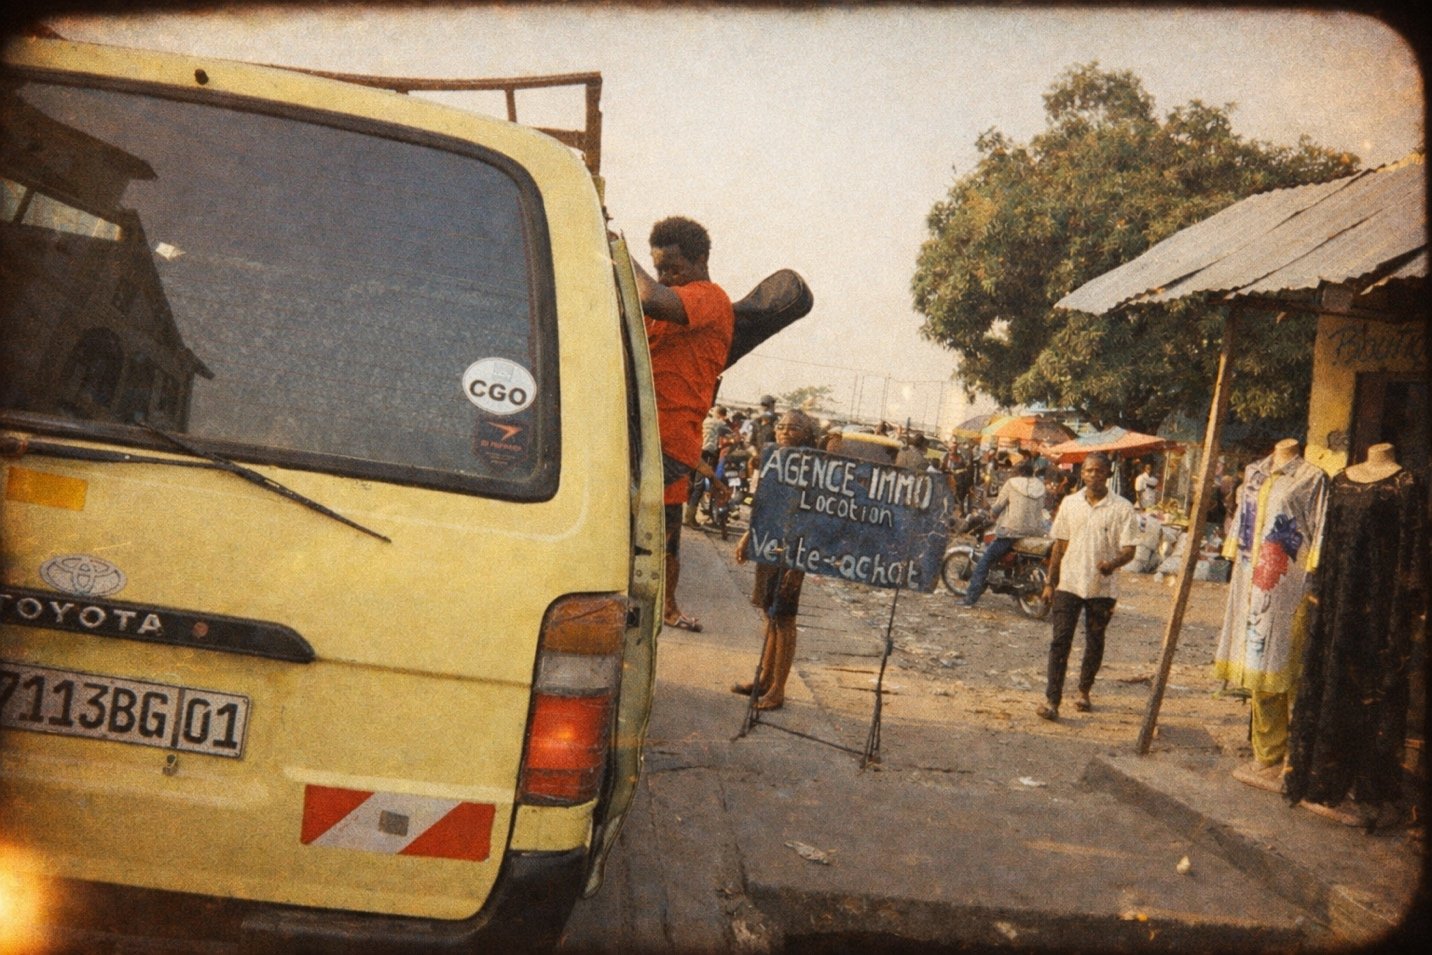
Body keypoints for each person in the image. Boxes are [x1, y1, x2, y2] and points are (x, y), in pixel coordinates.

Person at [635, 216, 734, 633]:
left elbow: (650, 297)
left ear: (702, 260)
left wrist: (616, 251)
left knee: (664, 533)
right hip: (642, 429)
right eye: (659, 269)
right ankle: (660, 606)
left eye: (674, 268)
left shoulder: (710, 299)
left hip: (672, 440)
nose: (666, 278)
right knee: (649, 530)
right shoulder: (664, 300)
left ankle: (666, 607)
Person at [1214, 438, 1328, 792]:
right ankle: (1267, 753)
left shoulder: (1313, 478)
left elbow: (1320, 531)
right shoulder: (1254, 472)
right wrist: (1235, 556)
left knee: (1291, 668)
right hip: (1251, 582)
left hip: (1288, 585)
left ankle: (1299, 757)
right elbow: (1240, 527)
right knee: (1258, 668)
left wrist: (1316, 577)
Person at [1036, 452, 1140, 721]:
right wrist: (1050, 582)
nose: (1093, 475)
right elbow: (1059, 546)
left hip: (1102, 587)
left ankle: (1084, 690)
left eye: (1099, 471)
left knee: (1094, 641)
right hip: (1069, 583)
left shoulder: (1122, 508)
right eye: (1089, 470)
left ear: (1108, 474)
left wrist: (1113, 563)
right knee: (1060, 642)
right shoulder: (1070, 503)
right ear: (1082, 473)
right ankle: (1052, 700)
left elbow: (1130, 550)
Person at [731, 409, 821, 710]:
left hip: (793, 549)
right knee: (770, 614)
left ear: (807, 435)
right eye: (781, 426)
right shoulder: (775, 459)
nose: (783, 431)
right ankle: (765, 679)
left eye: (793, 428)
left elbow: (814, 517)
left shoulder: (815, 468)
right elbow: (765, 505)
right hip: (769, 544)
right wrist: (748, 535)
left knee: (784, 618)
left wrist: (800, 564)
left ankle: (778, 690)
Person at [961, 458, 1046, 607]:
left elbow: (997, 507)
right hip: (1035, 533)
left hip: (1012, 532)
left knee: (985, 561)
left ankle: (970, 598)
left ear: (1018, 472)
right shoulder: (1040, 486)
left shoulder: (1011, 483)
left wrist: (991, 515)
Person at [686, 405, 733, 527]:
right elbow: (731, 433)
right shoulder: (719, 423)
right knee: (699, 486)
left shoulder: (704, 420)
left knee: (691, 484)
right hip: (707, 454)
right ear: (721, 414)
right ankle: (690, 518)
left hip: (694, 452)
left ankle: (687, 514)